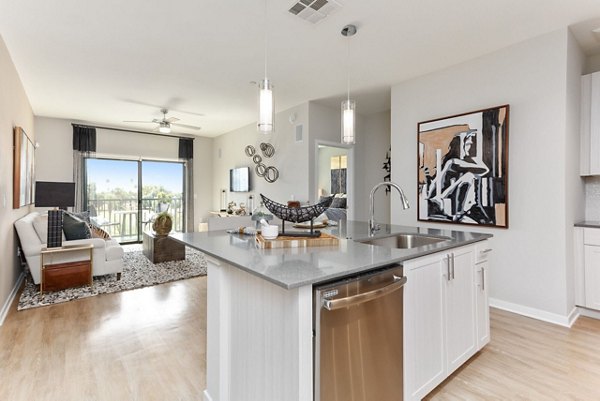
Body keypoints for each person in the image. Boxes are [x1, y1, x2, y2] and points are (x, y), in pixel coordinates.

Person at [427, 130, 490, 223]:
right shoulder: (453, 162)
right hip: (439, 202)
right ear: (461, 146)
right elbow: (484, 170)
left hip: (444, 202)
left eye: (473, 144)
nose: (471, 147)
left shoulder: (458, 163)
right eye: (468, 144)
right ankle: (459, 213)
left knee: (469, 176)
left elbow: (484, 170)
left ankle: (464, 211)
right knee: (469, 176)